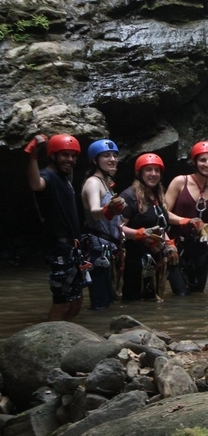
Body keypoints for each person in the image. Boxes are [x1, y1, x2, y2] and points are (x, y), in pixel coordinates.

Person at [26, 133, 88, 321]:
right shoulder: (49, 176)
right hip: (60, 249)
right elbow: (37, 184)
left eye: (73, 156)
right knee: (62, 301)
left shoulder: (65, 180)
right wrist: (32, 155)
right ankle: (52, 340)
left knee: (76, 301)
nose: (69, 159)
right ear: (52, 155)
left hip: (73, 250)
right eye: (64, 155)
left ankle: (66, 339)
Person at [119, 153, 180, 301]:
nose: (153, 174)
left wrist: (169, 243)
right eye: (148, 170)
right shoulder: (130, 196)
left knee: (153, 301)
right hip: (134, 260)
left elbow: (160, 225)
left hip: (154, 259)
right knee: (134, 300)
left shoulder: (157, 196)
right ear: (139, 173)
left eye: (157, 170)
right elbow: (117, 227)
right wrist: (140, 234)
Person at [165, 141, 208, 294]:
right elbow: (163, 214)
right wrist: (185, 221)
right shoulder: (180, 182)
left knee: (197, 295)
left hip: (200, 250)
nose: (207, 164)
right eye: (203, 160)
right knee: (181, 294)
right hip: (177, 247)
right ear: (194, 162)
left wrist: (207, 229)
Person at [81, 139, 126, 309]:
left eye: (114, 155)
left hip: (109, 250)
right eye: (106, 156)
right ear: (94, 160)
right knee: (100, 303)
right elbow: (94, 210)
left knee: (108, 301)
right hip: (97, 250)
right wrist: (109, 209)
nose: (112, 159)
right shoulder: (93, 182)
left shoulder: (106, 184)